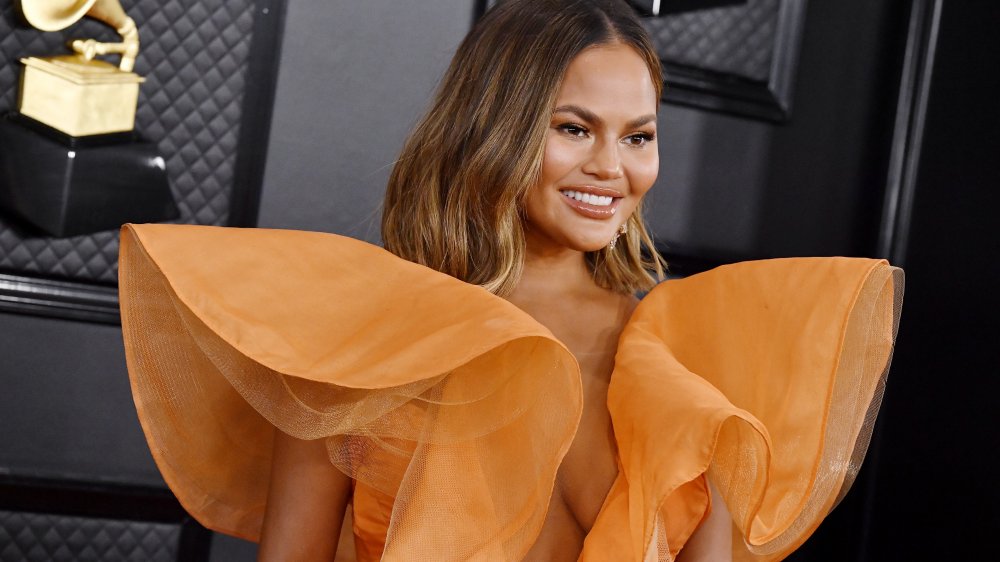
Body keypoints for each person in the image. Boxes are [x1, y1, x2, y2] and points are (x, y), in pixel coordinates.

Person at [118, 1, 902, 560]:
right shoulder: (362, 340)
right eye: (573, 128)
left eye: (638, 136)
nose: (612, 168)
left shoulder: (692, 354)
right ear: (494, 129)